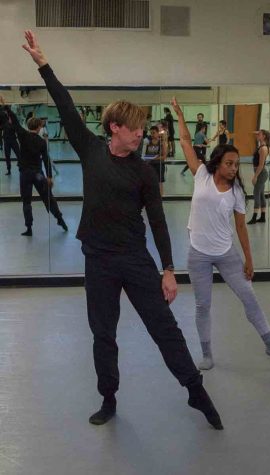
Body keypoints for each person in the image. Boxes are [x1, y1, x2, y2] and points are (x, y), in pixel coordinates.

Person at [22, 30, 223, 430]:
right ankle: (109, 398)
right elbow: (64, 105)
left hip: (134, 259)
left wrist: (167, 268)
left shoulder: (144, 171)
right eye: (135, 128)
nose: (142, 133)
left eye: (143, 128)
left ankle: (195, 391)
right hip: (98, 259)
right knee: (103, 334)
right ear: (115, 127)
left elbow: (159, 221)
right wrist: (43, 64)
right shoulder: (90, 151)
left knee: (164, 328)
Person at [171, 97, 270, 373]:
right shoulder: (201, 175)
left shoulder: (236, 192)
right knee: (202, 305)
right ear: (218, 163)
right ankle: (207, 353)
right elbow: (186, 142)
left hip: (226, 254)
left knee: (249, 298)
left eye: (237, 164)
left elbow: (241, 227)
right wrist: (178, 114)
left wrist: (249, 258)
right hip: (198, 253)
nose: (234, 169)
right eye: (230, 164)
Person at [1, 98, 68, 236]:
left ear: (28, 126)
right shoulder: (41, 142)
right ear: (38, 128)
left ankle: (29, 228)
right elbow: (46, 161)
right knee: (48, 198)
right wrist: (49, 176)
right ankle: (60, 220)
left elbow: (14, 119)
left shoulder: (23, 135)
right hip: (38, 174)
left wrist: (5, 106)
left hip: (25, 174)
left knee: (26, 202)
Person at [247, 129, 270, 224]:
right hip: (261, 172)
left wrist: (255, 176)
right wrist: (258, 132)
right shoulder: (262, 146)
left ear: (264, 136)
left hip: (261, 173)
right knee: (261, 194)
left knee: (256, 193)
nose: (257, 135)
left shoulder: (263, 148)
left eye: (259, 134)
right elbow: (256, 133)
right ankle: (262, 217)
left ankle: (254, 217)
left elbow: (261, 165)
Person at [144, 125, 167, 195]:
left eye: (154, 133)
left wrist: (154, 158)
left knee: (159, 183)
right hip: (150, 165)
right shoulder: (148, 143)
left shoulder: (162, 143)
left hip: (159, 166)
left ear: (157, 133)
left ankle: (160, 199)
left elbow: (164, 156)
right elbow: (146, 155)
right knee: (150, 182)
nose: (152, 135)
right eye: (151, 133)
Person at [0, 98, 21, 175]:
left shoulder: (13, 117)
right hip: (6, 139)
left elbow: (17, 127)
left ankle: (21, 166)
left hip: (13, 139)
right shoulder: (3, 118)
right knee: (7, 156)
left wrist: (3, 102)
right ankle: (9, 170)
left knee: (18, 153)